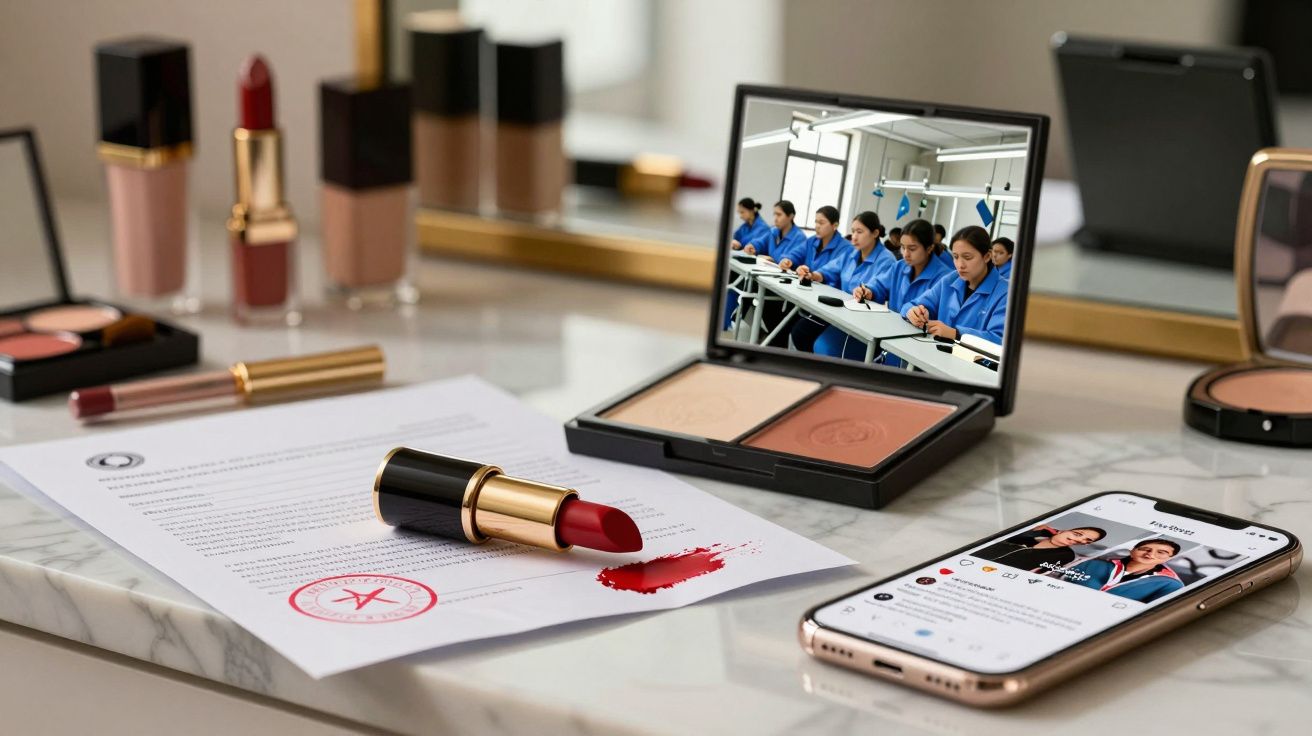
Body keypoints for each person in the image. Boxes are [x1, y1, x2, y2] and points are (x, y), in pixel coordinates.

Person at [817, 219, 950, 361]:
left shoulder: (944, 277)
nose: (905, 254)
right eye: (902, 247)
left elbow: (936, 314)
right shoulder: (899, 267)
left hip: (916, 343)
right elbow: (879, 285)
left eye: (912, 249)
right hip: (888, 332)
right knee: (828, 345)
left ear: (929, 248)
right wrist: (868, 291)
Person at [793, 211, 894, 354]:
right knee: (801, 332)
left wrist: (867, 291)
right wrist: (811, 275)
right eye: (853, 231)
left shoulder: (886, 260)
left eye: (859, 232)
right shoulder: (851, 253)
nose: (854, 236)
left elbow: (877, 287)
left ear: (875, 233)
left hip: (863, 322)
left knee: (818, 342)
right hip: (841, 313)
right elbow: (829, 270)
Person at [904, 225, 1009, 344]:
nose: (960, 265)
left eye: (967, 257)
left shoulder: (1006, 293)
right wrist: (913, 312)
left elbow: (999, 340)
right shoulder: (950, 280)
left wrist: (956, 334)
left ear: (987, 256)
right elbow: (912, 305)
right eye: (955, 257)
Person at [1064, 539, 1186, 603]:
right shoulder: (1092, 563)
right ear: (1132, 551)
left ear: (1169, 558)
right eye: (1145, 549)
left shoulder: (1171, 584)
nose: (1150, 554)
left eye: (1161, 552)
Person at [974, 525, 1108, 574]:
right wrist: (1032, 531)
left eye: (1087, 541)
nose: (1080, 540)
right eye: (1078, 534)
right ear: (1061, 531)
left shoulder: (1066, 556)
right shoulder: (1026, 537)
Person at [741, 200, 806, 262]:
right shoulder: (773, 231)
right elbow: (761, 242)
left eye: (779, 215)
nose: (775, 219)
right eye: (774, 214)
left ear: (791, 216)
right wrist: (752, 246)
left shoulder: (799, 238)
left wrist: (774, 261)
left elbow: (791, 259)